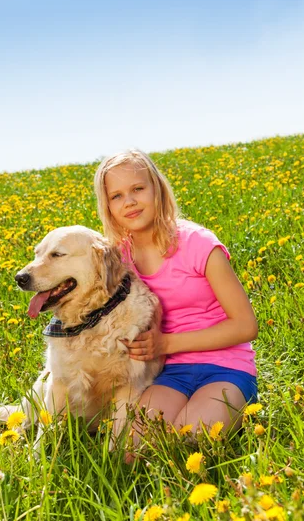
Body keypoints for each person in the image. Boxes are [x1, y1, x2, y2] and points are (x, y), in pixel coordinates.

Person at [94, 149, 258, 439]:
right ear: (107, 206)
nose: (129, 201)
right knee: (128, 448)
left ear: (157, 189)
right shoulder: (119, 260)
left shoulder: (198, 243)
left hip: (227, 368)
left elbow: (246, 326)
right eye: (116, 196)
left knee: (191, 439)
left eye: (138, 189)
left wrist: (165, 343)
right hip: (169, 375)